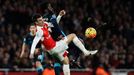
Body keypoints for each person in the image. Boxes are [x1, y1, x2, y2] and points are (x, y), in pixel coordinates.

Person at [30, 13, 98, 75]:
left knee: (66, 61)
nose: (42, 21)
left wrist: (60, 15)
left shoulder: (44, 24)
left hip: (53, 49)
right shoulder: (39, 31)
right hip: (55, 47)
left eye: (42, 19)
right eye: (40, 20)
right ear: (36, 22)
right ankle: (85, 52)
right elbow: (34, 42)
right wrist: (31, 53)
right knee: (73, 35)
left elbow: (55, 24)